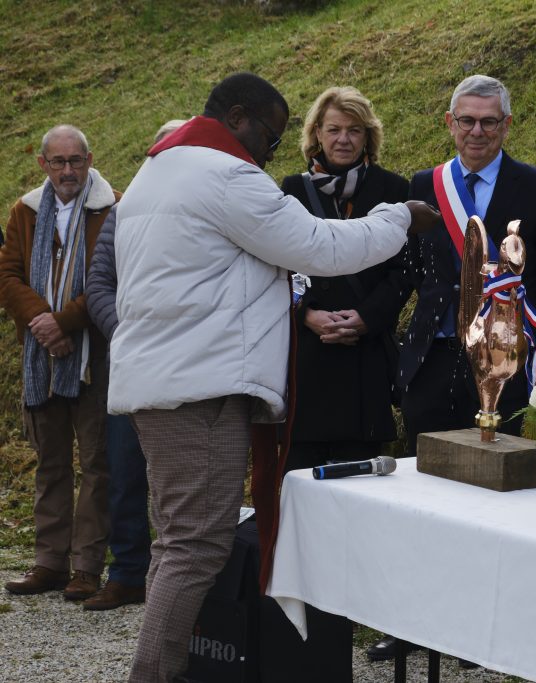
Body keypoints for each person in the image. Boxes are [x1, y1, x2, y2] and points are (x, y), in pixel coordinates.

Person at [106, 73, 438, 683]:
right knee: (195, 548)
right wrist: (399, 218)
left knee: (176, 544)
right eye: (270, 136)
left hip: (168, 381)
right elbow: (319, 247)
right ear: (238, 116)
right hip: (199, 390)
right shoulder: (224, 174)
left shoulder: (158, 170)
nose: (269, 154)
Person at [370, 74, 536, 663]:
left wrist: (518, 344)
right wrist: (365, 317)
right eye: (467, 120)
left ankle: (484, 629)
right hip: (433, 358)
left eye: (489, 121)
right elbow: (406, 271)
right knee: (423, 492)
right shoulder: (422, 186)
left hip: (501, 368)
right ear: (449, 123)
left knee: (494, 497)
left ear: (507, 125)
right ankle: (411, 620)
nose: (477, 131)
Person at [0, 124, 118, 602]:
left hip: (94, 356)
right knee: (50, 463)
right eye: (58, 162)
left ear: (90, 160)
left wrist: (65, 323)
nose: (68, 170)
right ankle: (49, 561)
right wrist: (43, 324)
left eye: (76, 161)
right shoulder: (25, 211)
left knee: (97, 461)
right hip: (40, 355)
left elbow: (115, 277)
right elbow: (6, 275)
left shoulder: (114, 208)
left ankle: (87, 566)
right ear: (43, 165)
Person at [81, 119, 185, 612]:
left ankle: (178, 576)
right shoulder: (126, 210)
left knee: (183, 479)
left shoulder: (206, 208)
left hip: (189, 366)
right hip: (131, 361)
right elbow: (98, 283)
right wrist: (129, 332)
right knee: (124, 469)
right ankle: (126, 572)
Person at [281, 86, 409, 470]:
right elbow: (278, 266)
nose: (343, 139)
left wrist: (367, 317)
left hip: (365, 353)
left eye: (354, 130)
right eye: (334, 129)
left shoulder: (394, 189)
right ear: (317, 133)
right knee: (300, 480)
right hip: (308, 354)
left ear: (368, 136)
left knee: (362, 479)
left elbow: (404, 270)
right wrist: (306, 314)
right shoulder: (291, 191)